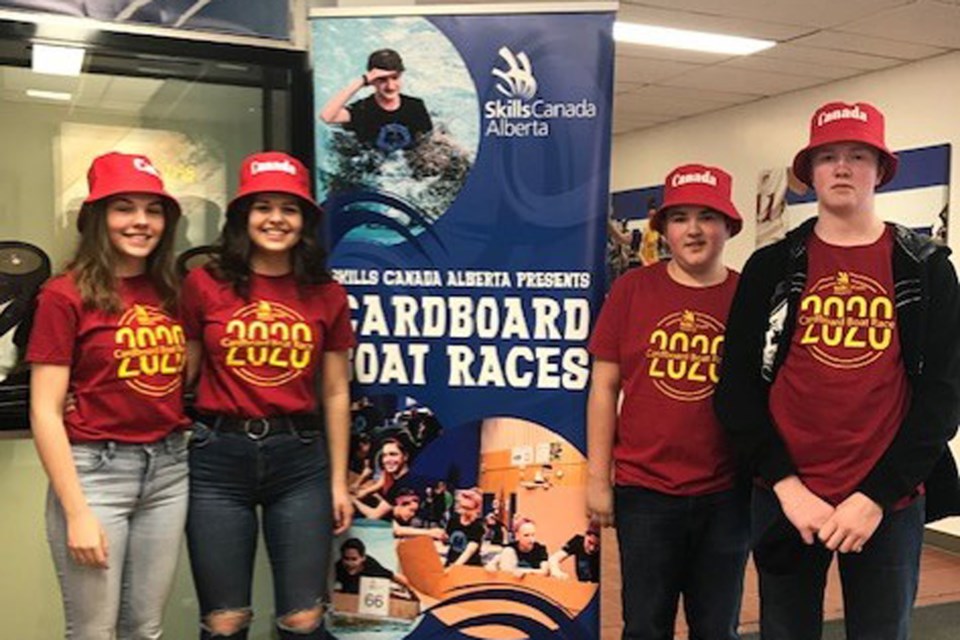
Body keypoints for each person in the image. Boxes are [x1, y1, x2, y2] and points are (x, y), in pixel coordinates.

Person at [715, 101, 960, 640]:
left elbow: (942, 399)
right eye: (828, 157)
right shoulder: (772, 267)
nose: (843, 167)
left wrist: (874, 497)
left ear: (880, 170)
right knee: (784, 629)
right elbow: (736, 390)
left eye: (857, 155)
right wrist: (786, 485)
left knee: (881, 631)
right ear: (810, 175)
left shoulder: (925, 266)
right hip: (786, 497)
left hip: (886, 502)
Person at [181, 151, 355, 640]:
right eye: (263, 206)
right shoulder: (204, 284)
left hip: (299, 461)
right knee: (224, 621)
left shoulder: (327, 294)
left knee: (303, 620)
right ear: (243, 217)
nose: (276, 219)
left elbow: (337, 391)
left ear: (304, 221)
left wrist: (339, 482)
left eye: (289, 208)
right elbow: (181, 374)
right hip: (216, 461)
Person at [27, 151, 189, 638]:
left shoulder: (173, 290)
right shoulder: (64, 294)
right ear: (97, 218)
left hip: (169, 472)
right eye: (124, 207)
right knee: (93, 631)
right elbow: (44, 409)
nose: (141, 221)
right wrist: (76, 511)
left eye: (153, 209)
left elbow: (187, 375)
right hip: (95, 477)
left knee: (145, 627)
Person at [587, 164, 749, 640]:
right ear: (664, 230)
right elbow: (603, 388)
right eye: (680, 218)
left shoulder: (747, 296)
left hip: (727, 493)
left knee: (717, 627)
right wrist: (599, 478)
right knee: (645, 625)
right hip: (646, 492)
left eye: (707, 216)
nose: (694, 230)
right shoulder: (631, 290)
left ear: (728, 226)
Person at [319, 48, 433, 153]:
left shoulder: (415, 106)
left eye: (395, 78)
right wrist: (363, 80)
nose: (390, 86)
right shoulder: (362, 109)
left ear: (401, 75)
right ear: (372, 80)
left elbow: (428, 140)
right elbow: (326, 116)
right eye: (382, 79)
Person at [334, 538, 409, 594]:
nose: (349, 563)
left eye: (354, 559)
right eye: (346, 559)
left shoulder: (372, 567)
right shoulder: (338, 568)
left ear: (363, 558)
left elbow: (394, 576)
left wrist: (408, 588)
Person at [444, 487, 485, 567]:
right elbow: (447, 539)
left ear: (476, 509)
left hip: (470, 566)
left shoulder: (477, 526)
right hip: (451, 561)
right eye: (462, 507)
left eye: (468, 509)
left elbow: (470, 550)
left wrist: (455, 566)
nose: (464, 511)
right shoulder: (454, 520)